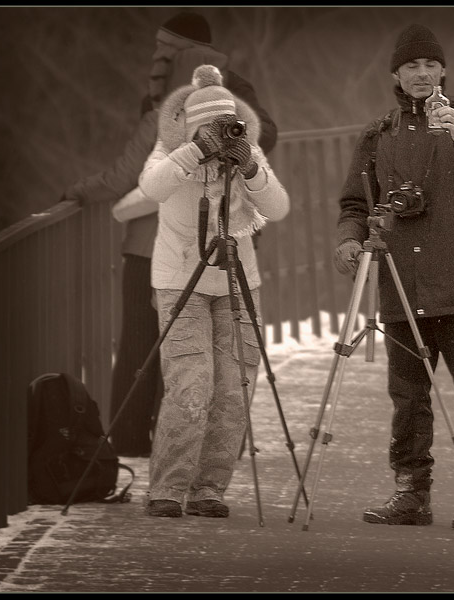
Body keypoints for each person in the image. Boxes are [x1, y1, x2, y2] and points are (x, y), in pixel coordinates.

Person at [333, 24, 454, 531]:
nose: (421, 75)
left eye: (429, 65)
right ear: (396, 75)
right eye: (410, 67)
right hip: (404, 283)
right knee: (409, 402)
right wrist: (349, 238)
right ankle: (411, 493)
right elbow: (355, 201)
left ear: (442, 69)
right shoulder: (379, 133)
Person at [61, 11, 279, 458]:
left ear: (183, 54)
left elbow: (128, 173)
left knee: (146, 348)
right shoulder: (234, 92)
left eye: (165, 50)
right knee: (211, 354)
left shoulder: (166, 106)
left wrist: (79, 192)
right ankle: (203, 448)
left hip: (155, 248)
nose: (156, 57)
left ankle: (130, 444)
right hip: (215, 244)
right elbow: (266, 136)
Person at [139, 65, 290, 518]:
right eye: (209, 127)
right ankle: (167, 488)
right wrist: (193, 151)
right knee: (191, 383)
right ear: (190, 124)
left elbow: (278, 208)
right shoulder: (169, 150)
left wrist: (248, 167)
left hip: (236, 280)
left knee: (233, 389)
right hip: (180, 279)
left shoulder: (247, 155)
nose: (218, 135)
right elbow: (152, 187)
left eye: (225, 126)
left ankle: (209, 489)